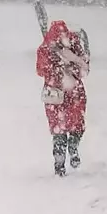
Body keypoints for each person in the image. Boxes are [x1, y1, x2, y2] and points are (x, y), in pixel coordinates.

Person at [37, 20, 90, 177]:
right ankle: (60, 162)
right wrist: (59, 68)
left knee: (70, 125)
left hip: (65, 93)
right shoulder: (46, 49)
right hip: (60, 94)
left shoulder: (72, 46)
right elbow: (41, 69)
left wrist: (69, 65)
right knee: (61, 128)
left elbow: (84, 67)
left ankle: (70, 150)